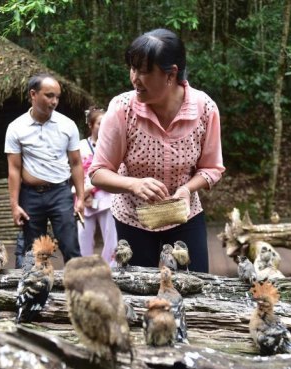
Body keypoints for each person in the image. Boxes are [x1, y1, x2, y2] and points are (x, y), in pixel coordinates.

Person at [89, 28, 225, 273]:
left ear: (171, 74)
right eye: (132, 68)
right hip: (133, 218)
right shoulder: (122, 109)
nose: (134, 78)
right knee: (137, 295)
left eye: (143, 71)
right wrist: (134, 185)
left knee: (194, 286)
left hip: (184, 216)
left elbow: (212, 168)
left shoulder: (205, 109)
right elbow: (98, 172)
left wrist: (186, 189)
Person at [5, 73, 84, 267]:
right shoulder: (16, 127)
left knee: (71, 247)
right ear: (33, 94)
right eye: (49, 95)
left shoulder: (68, 125)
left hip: (60, 193)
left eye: (57, 96)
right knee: (34, 252)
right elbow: (14, 169)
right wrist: (15, 205)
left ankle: (78, 293)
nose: (54, 101)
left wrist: (80, 198)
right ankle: (35, 294)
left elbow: (76, 163)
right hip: (30, 195)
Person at [78, 107, 117, 265]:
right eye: (100, 123)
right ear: (91, 125)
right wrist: (82, 192)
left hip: (107, 196)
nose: (103, 126)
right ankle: (84, 269)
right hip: (85, 196)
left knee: (111, 237)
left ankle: (111, 269)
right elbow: (74, 170)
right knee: (82, 236)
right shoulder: (80, 145)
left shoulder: (112, 144)